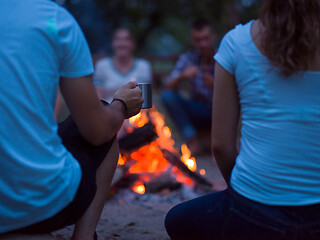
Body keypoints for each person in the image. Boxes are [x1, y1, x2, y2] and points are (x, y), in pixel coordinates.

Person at [165, 1, 320, 239]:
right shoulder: (191, 59)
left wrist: (243, 193)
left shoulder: (236, 43)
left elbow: (222, 147)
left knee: (177, 219)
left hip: (256, 209)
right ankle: (195, 140)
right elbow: (169, 86)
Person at [0, 1, 143, 240]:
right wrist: (120, 106)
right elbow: (96, 131)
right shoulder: (56, 21)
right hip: (37, 204)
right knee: (105, 123)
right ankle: (84, 236)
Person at [161, 18, 216, 156]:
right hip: (198, 110)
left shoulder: (224, 56)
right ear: (192, 40)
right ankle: (192, 141)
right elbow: (166, 85)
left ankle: (218, 146)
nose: (202, 44)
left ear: (213, 37)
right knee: (168, 96)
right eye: (198, 40)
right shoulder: (189, 58)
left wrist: (217, 85)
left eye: (205, 39)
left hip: (221, 111)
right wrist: (182, 76)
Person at [93, 27, 152, 104]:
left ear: (133, 44)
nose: (122, 43)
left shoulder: (143, 66)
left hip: (137, 114)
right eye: (117, 39)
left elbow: (146, 100)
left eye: (126, 39)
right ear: (112, 44)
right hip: (108, 112)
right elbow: (98, 98)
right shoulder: (102, 65)